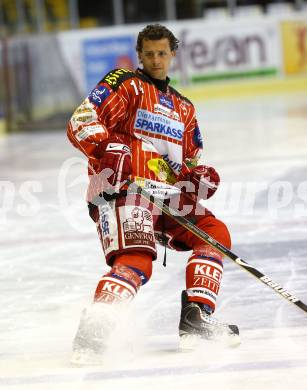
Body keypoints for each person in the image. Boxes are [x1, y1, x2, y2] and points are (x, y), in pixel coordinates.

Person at [67, 24, 239, 362]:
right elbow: (82, 119)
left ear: (172, 54)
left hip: (165, 194)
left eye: (162, 53)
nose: (156, 60)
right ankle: (95, 329)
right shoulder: (124, 83)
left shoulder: (184, 109)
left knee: (214, 233)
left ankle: (196, 318)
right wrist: (107, 148)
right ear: (140, 55)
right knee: (136, 259)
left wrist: (196, 180)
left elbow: (187, 163)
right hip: (122, 187)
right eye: (150, 54)